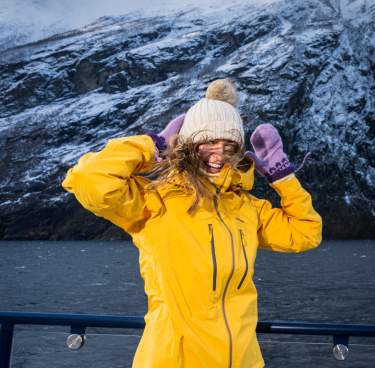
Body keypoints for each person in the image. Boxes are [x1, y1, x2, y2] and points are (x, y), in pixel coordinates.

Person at [61, 78, 323, 368]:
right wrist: (154, 146)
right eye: (209, 141)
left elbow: (305, 232)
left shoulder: (246, 208)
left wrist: (282, 177)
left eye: (229, 145)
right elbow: (87, 178)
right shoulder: (156, 202)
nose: (219, 154)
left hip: (243, 360)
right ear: (188, 145)